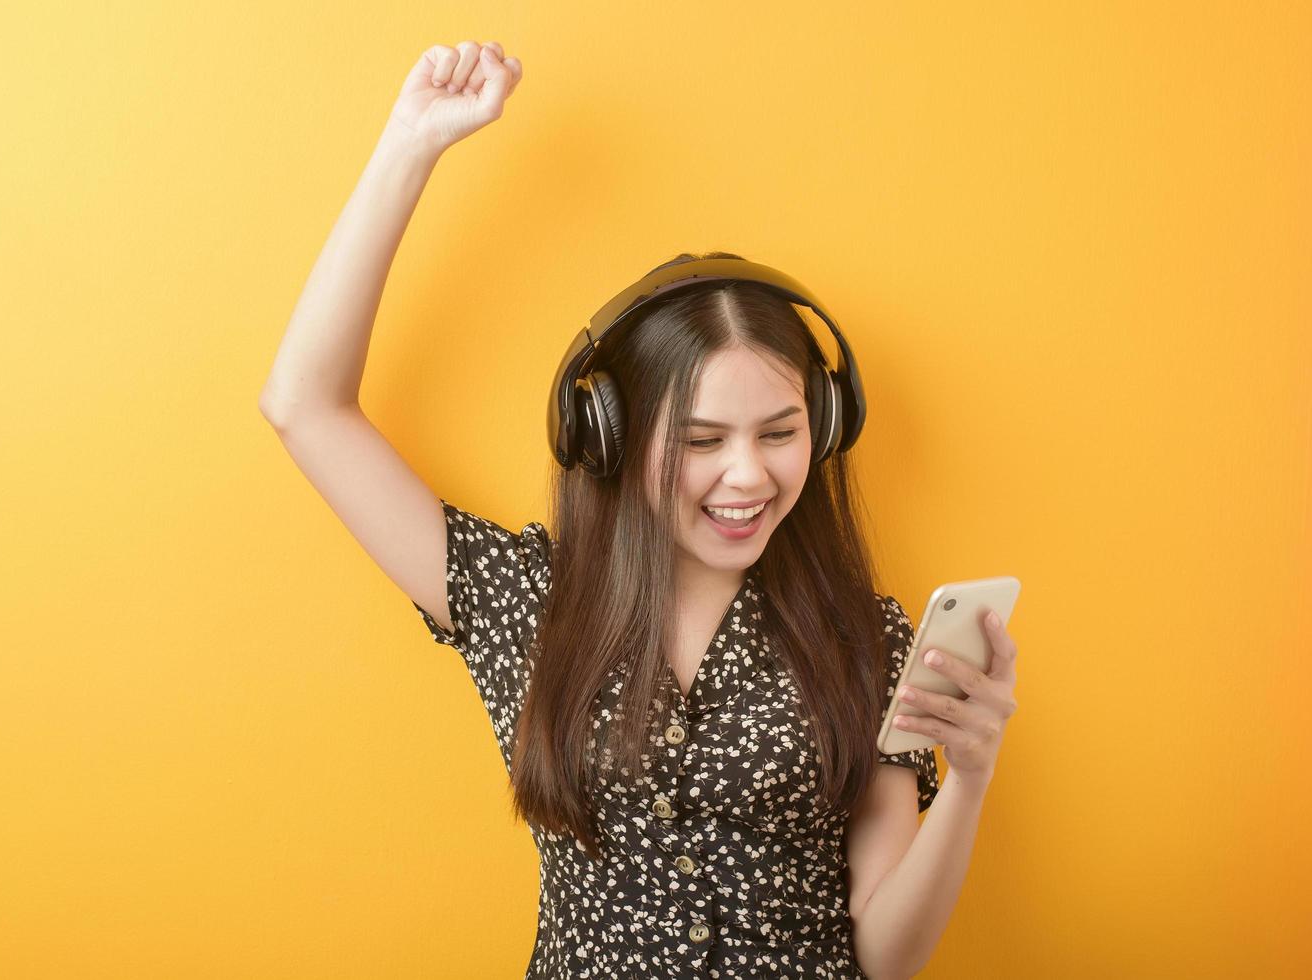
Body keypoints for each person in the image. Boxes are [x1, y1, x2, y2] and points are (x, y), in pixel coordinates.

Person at [258, 39, 1020, 980]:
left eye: (778, 433)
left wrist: (971, 783)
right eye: (701, 442)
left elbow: (886, 959)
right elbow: (304, 405)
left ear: (823, 425)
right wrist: (411, 144)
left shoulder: (866, 638)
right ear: (610, 440)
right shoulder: (529, 603)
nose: (747, 477)